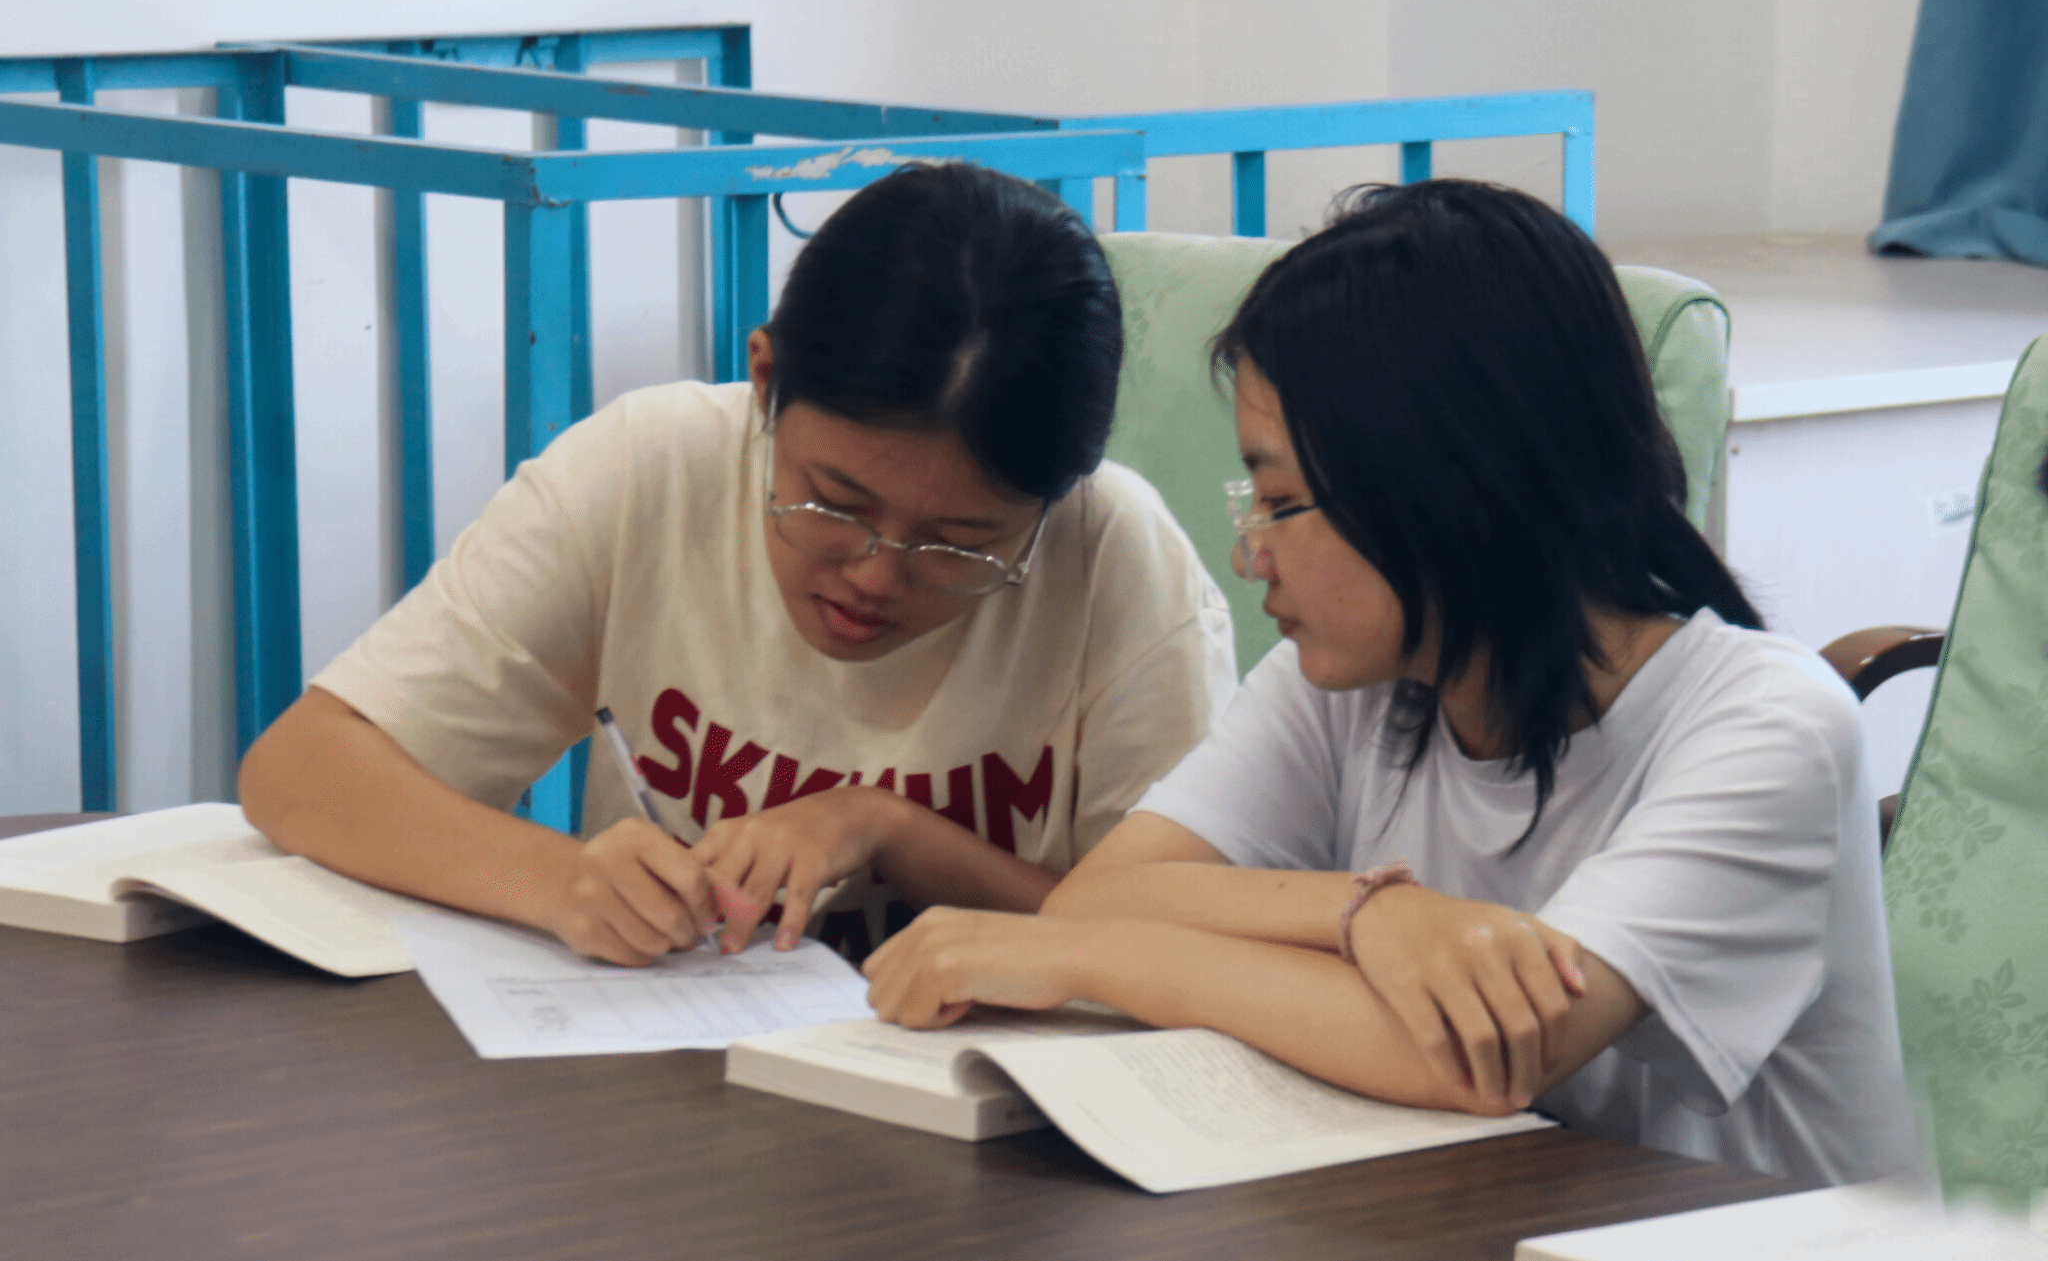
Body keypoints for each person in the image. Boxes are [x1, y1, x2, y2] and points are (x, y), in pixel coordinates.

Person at [864, 179, 1914, 1189]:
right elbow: (1105, 895)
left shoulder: (1769, 725)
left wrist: (1080, 963)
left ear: (1455, 488)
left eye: (1282, 504)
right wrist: (1365, 914)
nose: (1249, 554)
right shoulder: (1349, 681)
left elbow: (1476, 1059)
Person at [240, 162, 1235, 967]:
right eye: (834, 504)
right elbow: (300, 769)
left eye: (960, 546)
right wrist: (559, 881)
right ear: (764, 381)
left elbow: (1181, 941)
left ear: (1057, 499)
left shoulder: (1119, 563)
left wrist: (887, 830)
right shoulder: (649, 469)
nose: (876, 576)